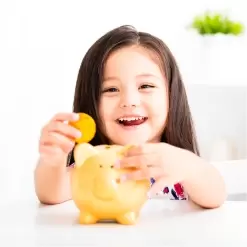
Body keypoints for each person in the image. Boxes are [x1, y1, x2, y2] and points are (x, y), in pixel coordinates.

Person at [34, 25, 226, 208]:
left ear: (172, 95)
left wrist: (189, 166)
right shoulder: (93, 164)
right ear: (91, 101)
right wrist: (53, 160)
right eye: (111, 89)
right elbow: (52, 193)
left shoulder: (178, 167)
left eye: (145, 86)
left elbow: (216, 195)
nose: (129, 101)